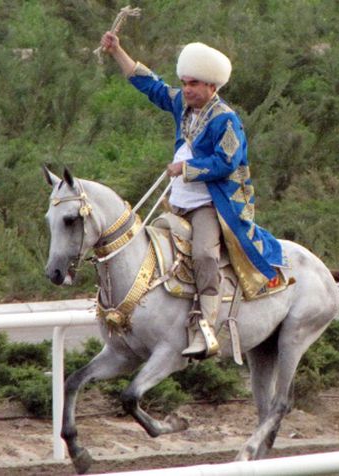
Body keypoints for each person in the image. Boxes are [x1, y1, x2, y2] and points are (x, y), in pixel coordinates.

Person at [100, 31, 283, 359]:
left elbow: (227, 163)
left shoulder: (228, 121)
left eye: (194, 84)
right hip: (178, 201)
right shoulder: (182, 104)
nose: (186, 89)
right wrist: (118, 52)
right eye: (184, 82)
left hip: (210, 204)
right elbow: (151, 85)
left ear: (211, 86)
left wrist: (185, 169)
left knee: (204, 256)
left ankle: (207, 325)